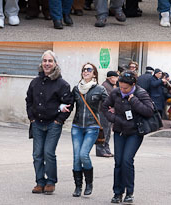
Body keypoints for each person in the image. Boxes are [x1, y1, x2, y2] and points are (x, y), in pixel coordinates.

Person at [102, 71, 154, 204]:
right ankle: (117, 193)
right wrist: (114, 118)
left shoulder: (141, 94)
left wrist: (134, 100)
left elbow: (149, 111)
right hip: (119, 131)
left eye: (125, 88)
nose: (122, 89)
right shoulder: (115, 92)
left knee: (127, 160)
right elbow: (104, 107)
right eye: (120, 86)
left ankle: (129, 193)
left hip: (135, 132)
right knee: (118, 162)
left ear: (133, 85)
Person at [26, 50, 73, 194]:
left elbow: (68, 104)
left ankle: (51, 181)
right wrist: (31, 118)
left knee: (48, 153)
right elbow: (29, 100)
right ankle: (40, 182)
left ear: (55, 63)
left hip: (53, 124)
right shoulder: (35, 82)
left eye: (50, 61)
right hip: (37, 123)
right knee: (37, 154)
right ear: (41, 63)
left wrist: (59, 121)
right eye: (45, 61)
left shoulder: (62, 84)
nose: (47, 63)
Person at [64, 62, 108, 197]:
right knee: (76, 158)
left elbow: (109, 104)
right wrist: (61, 110)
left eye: (89, 69)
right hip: (77, 126)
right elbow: (70, 104)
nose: (86, 71)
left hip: (92, 126)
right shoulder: (76, 89)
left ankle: (89, 183)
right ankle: (78, 187)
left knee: (83, 154)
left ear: (94, 73)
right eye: (84, 69)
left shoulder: (100, 89)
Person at [96, 71, 118, 158]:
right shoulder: (105, 86)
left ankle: (106, 148)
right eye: (115, 77)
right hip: (103, 112)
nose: (117, 79)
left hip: (108, 112)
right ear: (110, 78)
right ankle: (100, 149)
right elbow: (109, 99)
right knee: (103, 131)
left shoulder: (111, 86)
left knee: (108, 131)